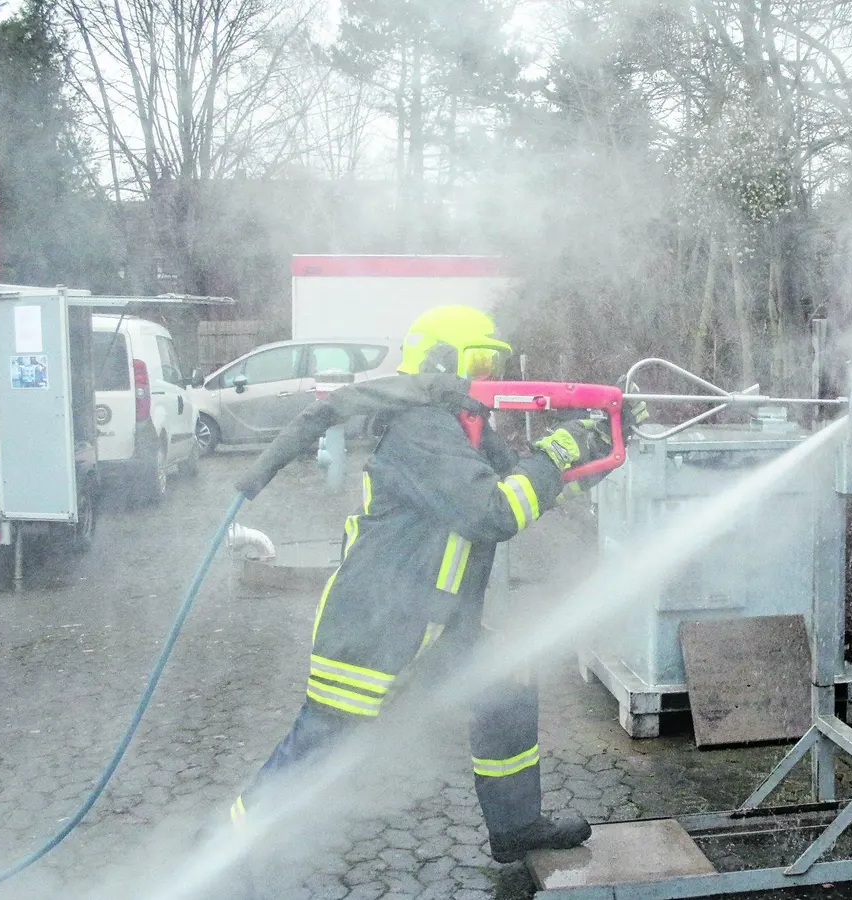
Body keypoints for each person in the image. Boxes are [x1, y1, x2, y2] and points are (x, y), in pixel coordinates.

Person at [227, 304, 616, 863]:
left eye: (494, 364)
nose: (488, 377)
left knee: (506, 686)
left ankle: (516, 826)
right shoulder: (422, 430)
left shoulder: (466, 432)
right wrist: (555, 454)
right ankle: (228, 853)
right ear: (439, 361)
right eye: (478, 362)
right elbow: (494, 513)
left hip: (437, 625)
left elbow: (528, 489)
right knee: (320, 747)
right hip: (374, 626)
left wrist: (600, 448)